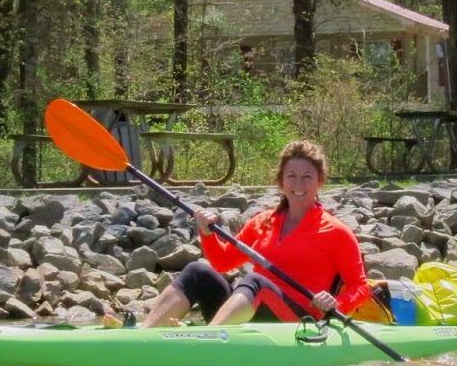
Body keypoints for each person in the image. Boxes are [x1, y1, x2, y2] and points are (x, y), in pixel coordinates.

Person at [137, 139, 371, 327]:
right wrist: (207, 234)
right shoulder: (263, 222)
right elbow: (222, 262)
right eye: (291, 176)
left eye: (307, 177)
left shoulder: (336, 231)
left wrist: (336, 303)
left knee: (256, 280)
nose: (298, 184)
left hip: (301, 320)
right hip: (255, 309)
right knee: (198, 271)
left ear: (320, 182)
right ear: (280, 182)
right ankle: (143, 335)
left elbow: (360, 286)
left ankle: (207, 342)